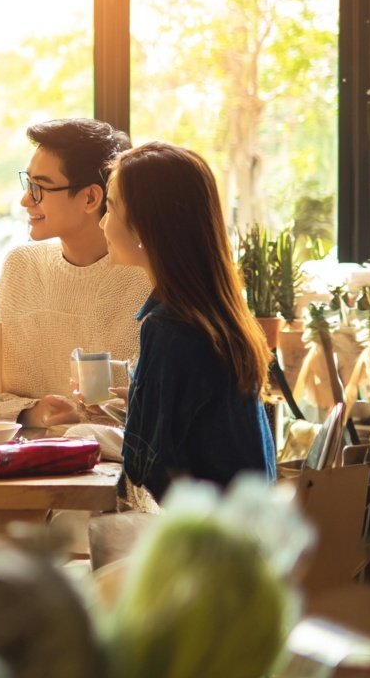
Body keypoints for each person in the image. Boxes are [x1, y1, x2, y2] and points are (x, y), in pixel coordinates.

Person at [0, 119, 152, 426]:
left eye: (39, 188)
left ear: (90, 198)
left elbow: (151, 414)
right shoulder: (20, 268)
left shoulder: (144, 281)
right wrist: (30, 412)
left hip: (109, 468)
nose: (25, 200)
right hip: (11, 460)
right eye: (28, 184)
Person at [101, 141, 276, 502]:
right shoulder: (217, 317)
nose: (103, 223)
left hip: (210, 547)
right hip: (250, 537)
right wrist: (143, 399)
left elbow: (143, 466)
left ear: (147, 227)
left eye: (110, 208)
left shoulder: (170, 328)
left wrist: (134, 416)